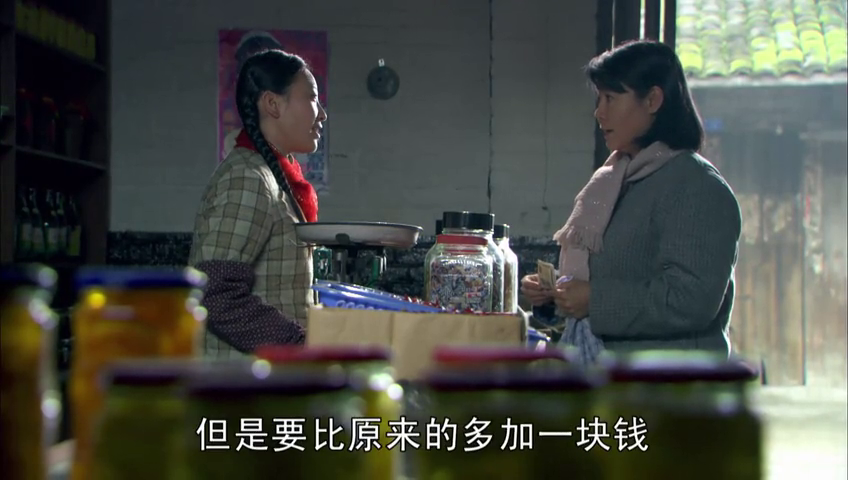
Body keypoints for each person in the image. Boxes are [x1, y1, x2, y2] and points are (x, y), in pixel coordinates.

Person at [520, 39, 742, 364]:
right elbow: (618, 276)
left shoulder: (697, 187)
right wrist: (558, 294)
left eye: (611, 98)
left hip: (667, 384)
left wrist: (594, 300)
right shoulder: (615, 182)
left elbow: (690, 301)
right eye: (599, 99)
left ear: (652, 100)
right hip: (610, 376)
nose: (599, 112)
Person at [189, 49, 327, 358]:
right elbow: (212, 293)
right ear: (272, 104)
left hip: (273, 375)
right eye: (312, 98)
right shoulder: (247, 177)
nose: (322, 114)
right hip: (245, 381)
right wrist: (296, 344)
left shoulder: (273, 176)